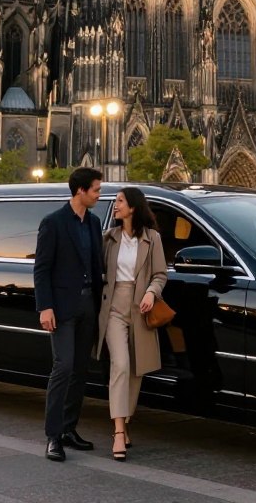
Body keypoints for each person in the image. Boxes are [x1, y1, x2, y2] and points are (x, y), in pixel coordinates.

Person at [33, 167, 104, 463]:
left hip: (88, 304)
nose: (99, 195)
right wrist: (45, 307)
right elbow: (42, 268)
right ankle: (53, 437)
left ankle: (68, 429)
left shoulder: (94, 223)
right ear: (80, 191)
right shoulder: (53, 222)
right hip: (61, 307)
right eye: (96, 190)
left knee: (80, 369)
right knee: (63, 367)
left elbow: (97, 266)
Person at [96, 187, 167, 462]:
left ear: (133, 207)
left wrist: (151, 292)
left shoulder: (152, 239)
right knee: (121, 365)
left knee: (137, 371)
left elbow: (160, 274)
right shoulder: (109, 238)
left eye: (120, 201)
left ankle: (125, 423)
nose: (115, 205)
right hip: (114, 308)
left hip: (140, 309)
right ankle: (117, 432)